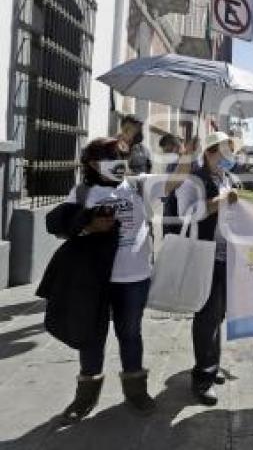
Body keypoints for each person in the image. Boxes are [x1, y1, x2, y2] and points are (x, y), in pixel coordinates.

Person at [40, 137, 190, 422]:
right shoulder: (83, 192)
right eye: (113, 158)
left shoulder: (139, 185)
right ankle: (86, 396)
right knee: (92, 337)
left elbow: (177, 179)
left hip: (134, 278)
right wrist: (89, 224)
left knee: (130, 334)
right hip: (94, 280)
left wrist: (186, 154)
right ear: (95, 164)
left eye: (123, 157)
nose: (121, 164)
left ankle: (135, 391)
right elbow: (61, 227)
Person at [175, 132, 239, 405]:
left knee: (218, 316)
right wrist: (219, 202)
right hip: (205, 257)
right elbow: (186, 213)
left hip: (228, 257)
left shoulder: (228, 179)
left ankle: (212, 367)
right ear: (210, 153)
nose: (230, 158)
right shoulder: (193, 180)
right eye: (225, 152)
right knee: (206, 318)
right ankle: (202, 378)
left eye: (232, 153)